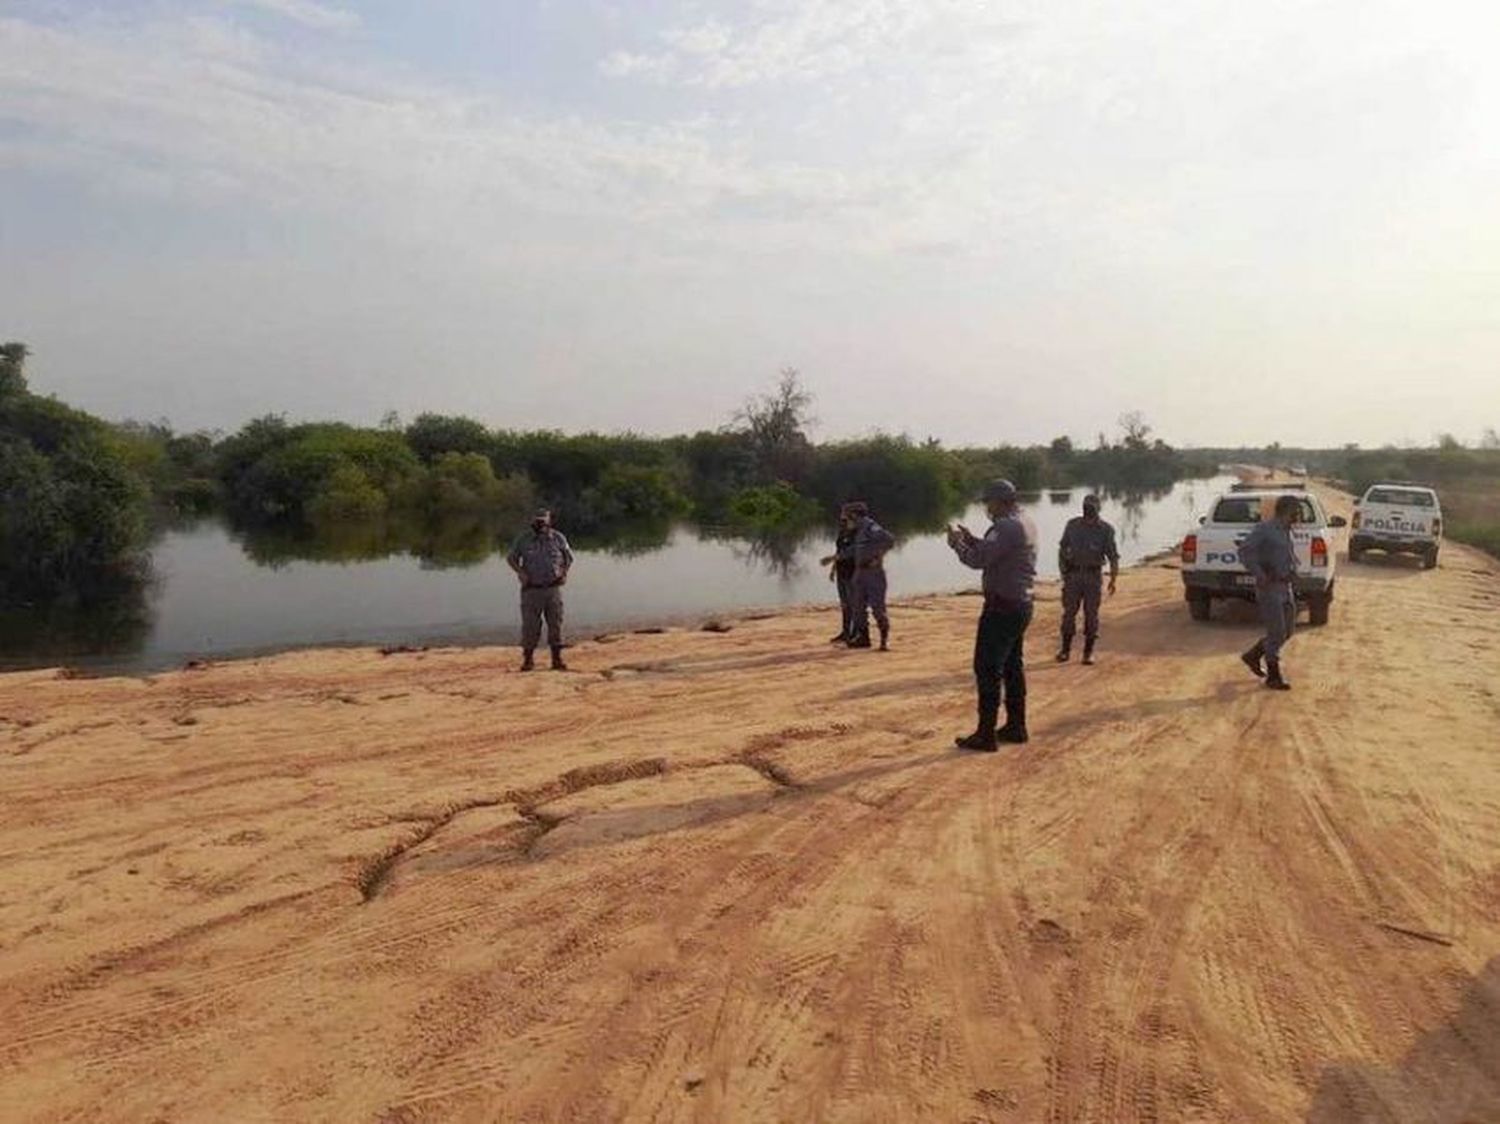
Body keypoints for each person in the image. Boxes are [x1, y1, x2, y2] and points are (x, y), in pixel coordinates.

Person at [948, 480, 1038, 749]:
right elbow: (994, 550)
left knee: (987, 668)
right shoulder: (1023, 521)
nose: (987, 507)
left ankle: (985, 735)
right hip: (1021, 603)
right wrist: (972, 539)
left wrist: (956, 544)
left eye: (989, 502)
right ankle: (1016, 726)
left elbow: (978, 560)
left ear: (1000, 501)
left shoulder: (1006, 526)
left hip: (1002, 607)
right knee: (1012, 666)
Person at [1237, 494, 1301, 691]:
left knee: (1287, 630)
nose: (1298, 516)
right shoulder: (1265, 529)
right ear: (1287, 510)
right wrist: (1259, 574)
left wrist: (1293, 571)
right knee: (1277, 632)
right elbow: (1245, 551)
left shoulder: (1286, 530)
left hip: (1285, 586)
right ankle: (1273, 676)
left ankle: (1254, 655)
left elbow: (1286, 555)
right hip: (1270, 588)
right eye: (1296, 511)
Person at [1056, 494, 1120, 665]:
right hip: (1073, 575)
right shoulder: (1072, 525)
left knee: (1091, 615)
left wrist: (1113, 579)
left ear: (1098, 508)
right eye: (1086, 506)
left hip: (1093, 576)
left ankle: (1088, 652)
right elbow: (1062, 548)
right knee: (1069, 613)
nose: (1088, 510)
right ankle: (1065, 650)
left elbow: (1113, 557)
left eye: (1091, 507)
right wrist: (1063, 570)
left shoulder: (1105, 530)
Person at [506, 509, 574, 672]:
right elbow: (511, 558)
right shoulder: (523, 539)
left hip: (553, 589)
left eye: (543, 521)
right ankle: (528, 661)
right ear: (532, 522)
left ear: (549, 522)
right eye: (537, 522)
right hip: (532, 590)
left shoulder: (558, 538)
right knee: (530, 626)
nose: (540, 525)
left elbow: (568, 558)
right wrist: (521, 572)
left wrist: (564, 573)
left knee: (555, 624)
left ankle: (556, 660)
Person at [847, 502, 896, 651]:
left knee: (877, 608)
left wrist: (879, 556)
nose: (846, 518)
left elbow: (889, 540)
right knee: (857, 607)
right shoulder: (860, 530)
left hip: (873, 574)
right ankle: (863, 638)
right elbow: (855, 549)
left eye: (848, 514)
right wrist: (835, 557)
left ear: (855, 514)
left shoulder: (870, 526)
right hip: (860, 572)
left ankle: (884, 639)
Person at [818, 505, 862, 645]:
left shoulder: (858, 532)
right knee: (845, 605)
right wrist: (833, 570)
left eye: (845, 513)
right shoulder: (843, 530)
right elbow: (839, 551)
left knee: (854, 604)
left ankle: (857, 634)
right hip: (842, 572)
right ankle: (845, 632)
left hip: (853, 572)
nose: (842, 516)